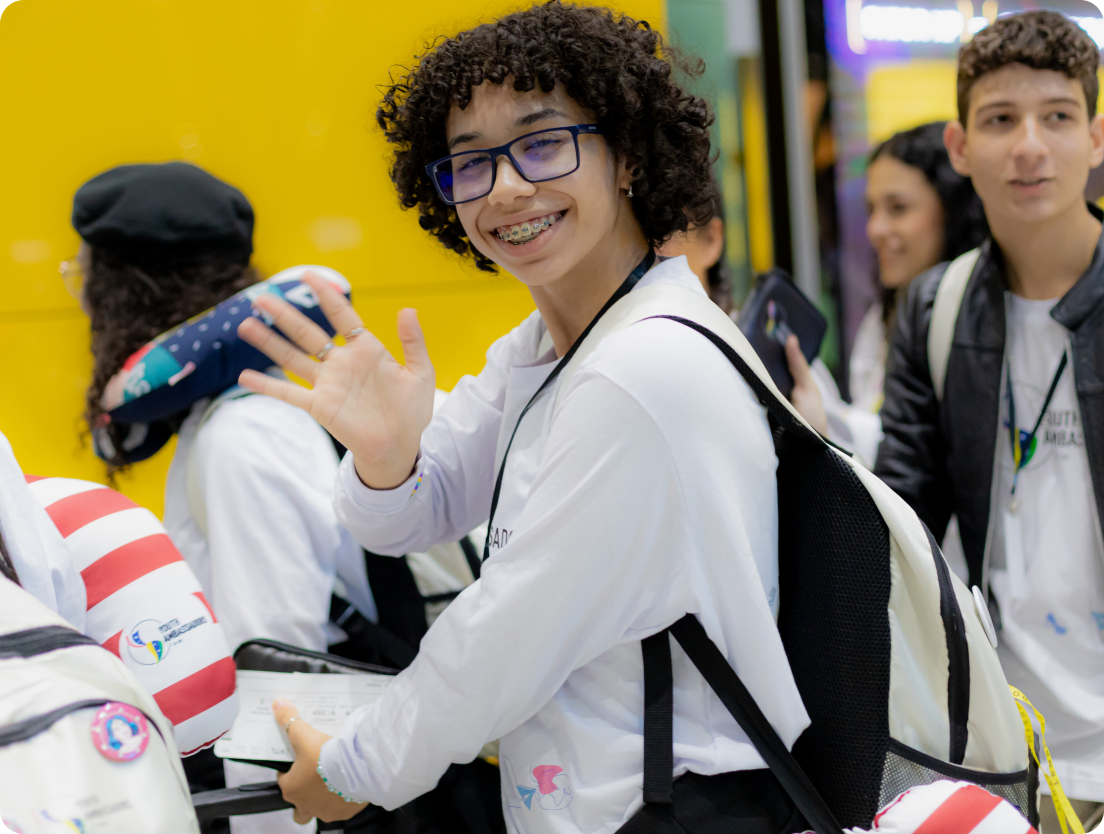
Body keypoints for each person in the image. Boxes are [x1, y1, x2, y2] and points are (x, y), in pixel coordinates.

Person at [236, 3, 810, 832]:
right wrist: (384, 459)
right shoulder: (545, 346)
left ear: (626, 157)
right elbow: (410, 518)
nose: (507, 189)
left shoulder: (643, 369)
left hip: (674, 804)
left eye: (543, 144)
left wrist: (354, 769)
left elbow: (504, 632)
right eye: (470, 163)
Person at [71, 161, 373, 833]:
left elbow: (274, 661)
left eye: (83, 275)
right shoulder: (241, 413)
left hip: (315, 803)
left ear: (127, 290)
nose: (80, 299)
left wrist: (266, 824)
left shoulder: (244, 432)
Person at [872, 11, 1104, 832]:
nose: (1029, 146)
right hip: (1010, 750)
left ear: (1097, 138)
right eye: (1001, 120)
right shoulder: (935, 311)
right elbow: (894, 525)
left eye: (1058, 116)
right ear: (962, 146)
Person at [786, 122, 988, 468]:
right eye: (871, 210)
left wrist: (831, 422)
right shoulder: (884, 314)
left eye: (898, 208)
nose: (876, 229)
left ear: (951, 212)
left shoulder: (981, 323)